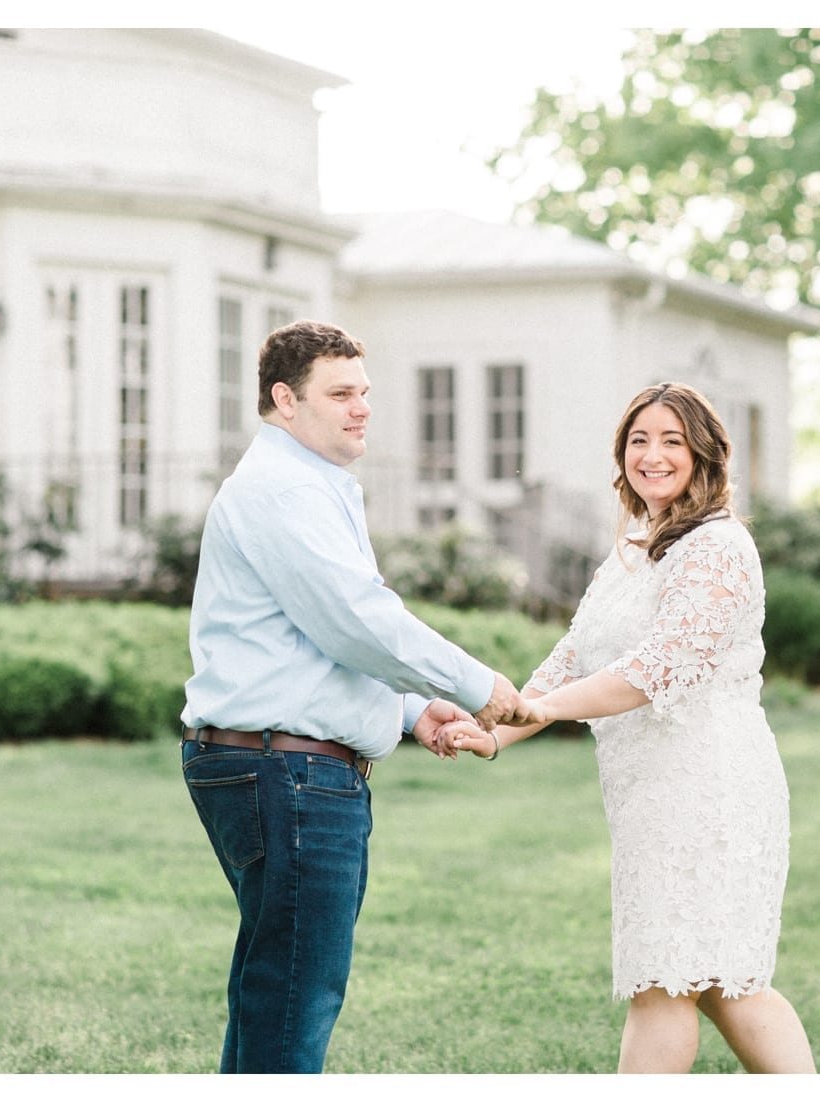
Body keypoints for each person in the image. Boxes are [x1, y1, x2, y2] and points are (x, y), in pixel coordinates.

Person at [180, 319, 533, 1074]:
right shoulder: (283, 488)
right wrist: (476, 686)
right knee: (295, 995)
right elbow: (355, 621)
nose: (362, 407)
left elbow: (310, 640)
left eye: (365, 393)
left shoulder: (305, 484)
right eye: (340, 393)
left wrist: (410, 712)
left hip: (281, 766)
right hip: (288, 774)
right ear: (284, 399)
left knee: (277, 986)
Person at [441, 382, 816, 1074]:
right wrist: (497, 730)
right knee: (715, 983)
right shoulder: (633, 552)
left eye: (672, 440)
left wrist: (544, 713)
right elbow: (573, 659)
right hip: (652, 795)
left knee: (671, 981)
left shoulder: (717, 547)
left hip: (708, 786)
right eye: (639, 440)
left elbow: (656, 668)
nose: (653, 454)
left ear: (705, 454)